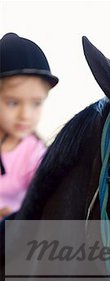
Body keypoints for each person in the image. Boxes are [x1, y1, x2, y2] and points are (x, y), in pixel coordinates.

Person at [0, 32, 58, 219]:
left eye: (36, 103)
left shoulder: (34, 154)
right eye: (13, 103)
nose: (25, 115)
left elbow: (42, 201)